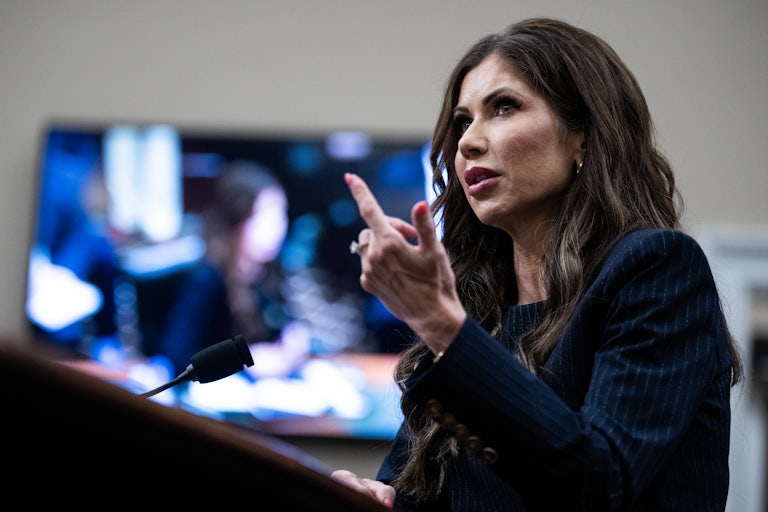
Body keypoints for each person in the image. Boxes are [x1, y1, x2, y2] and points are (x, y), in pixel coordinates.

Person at [331, 17, 743, 512]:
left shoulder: (656, 270)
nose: (467, 143)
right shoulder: (476, 308)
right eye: (463, 121)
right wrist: (385, 500)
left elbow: (597, 485)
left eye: (504, 108)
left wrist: (441, 325)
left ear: (583, 137)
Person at [157, 160, 308, 378]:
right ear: (238, 220)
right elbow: (178, 358)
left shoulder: (269, 275)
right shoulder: (208, 279)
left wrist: (292, 341)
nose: (277, 228)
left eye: (281, 216)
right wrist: (246, 363)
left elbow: (277, 331)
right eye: (266, 217)